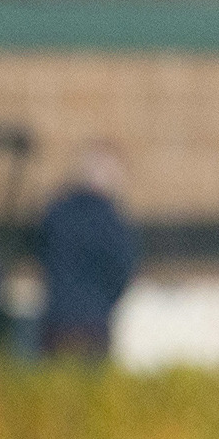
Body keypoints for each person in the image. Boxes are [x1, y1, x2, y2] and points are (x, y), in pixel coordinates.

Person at [36, 141, 138, 356]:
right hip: (94, 324)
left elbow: (40, 252)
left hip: (56, 320)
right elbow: (123, 268)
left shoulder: (56, 214)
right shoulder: (112, 221)